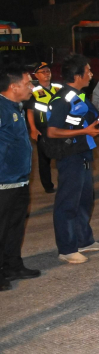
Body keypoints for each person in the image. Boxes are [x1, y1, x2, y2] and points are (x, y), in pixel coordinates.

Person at [46, 55, 99, 264]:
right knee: (67, 203)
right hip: (70, 156)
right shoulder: (62, 99)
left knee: (84, 200)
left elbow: (84, 122)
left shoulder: (80, 96)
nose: (91, 74)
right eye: (88, 71)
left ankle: (84, 240)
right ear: (77, 75)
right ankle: (67, 248)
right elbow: (52, 131)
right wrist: (85, 131)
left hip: (83, 153)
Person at [0, 66, 41, 290]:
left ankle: (13, 266)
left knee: (15, 226)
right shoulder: (1, 109)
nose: (32, 87)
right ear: (13, 87)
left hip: (19, 179)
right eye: (28, 84)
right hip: (3, 182)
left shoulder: (14, 107)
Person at [25, 62, 62, 193]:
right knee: (44, 159)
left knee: (62, 155)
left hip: (59, 126)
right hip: (43, 128)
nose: (47, 74)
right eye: (43, 72)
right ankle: (48, 186)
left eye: (48, 71)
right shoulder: (33, 91)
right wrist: (33, 129)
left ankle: (64, 181)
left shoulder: (58, 88)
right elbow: (29, 111)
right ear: (36, 75)